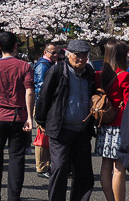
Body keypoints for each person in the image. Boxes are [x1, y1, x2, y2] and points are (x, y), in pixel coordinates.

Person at [35, 39, 96, 201]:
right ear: (68, 55)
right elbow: (44, 97)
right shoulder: (57, 71)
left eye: (85, 55)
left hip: (82, 130)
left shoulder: (88, 71)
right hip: (60, 129)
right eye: (78, 55)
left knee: (83, 172)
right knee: (60, 168)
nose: (81, 59)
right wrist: (41, 121)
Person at [0, 32, 34, 201]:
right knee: (16, 158)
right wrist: (30, 117)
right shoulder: (24, 66)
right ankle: (14, 197)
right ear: (16, 46)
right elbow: (30, 91)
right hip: (18, 117)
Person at [95, 39, 129, 201]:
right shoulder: (125, 76)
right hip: (119, 126)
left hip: (104, 124)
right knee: (119, 169)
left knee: (105, 166)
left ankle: (110, 199)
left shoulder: (99, 74)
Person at [33, 42, 58, 179]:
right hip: (42, 104)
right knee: (41, 136)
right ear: (45, 52)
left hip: (46, 103)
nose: (55, 55)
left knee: (46, 135)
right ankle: (41, 167)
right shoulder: (43, 65)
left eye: (56, 52)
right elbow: (43, 87)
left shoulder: (48, 65)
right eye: (52, 52)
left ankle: (46, 165)